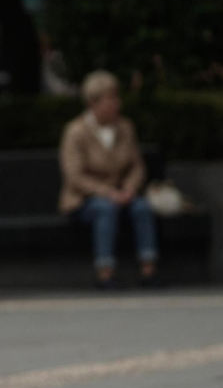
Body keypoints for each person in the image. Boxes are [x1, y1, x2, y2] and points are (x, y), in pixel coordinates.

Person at [59, 70, 159, 288]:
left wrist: (130, 188)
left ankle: (148, 268)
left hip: (122, 194)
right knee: (106, 209)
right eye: (111, 99)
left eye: (117, 98)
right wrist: (109, 193)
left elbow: (136, 166)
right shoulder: (75, 132)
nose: (117, 104)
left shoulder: (125, 128)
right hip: (85, 199)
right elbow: (74, 176)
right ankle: (105, 272)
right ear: (92, 103)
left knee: (141, 207)